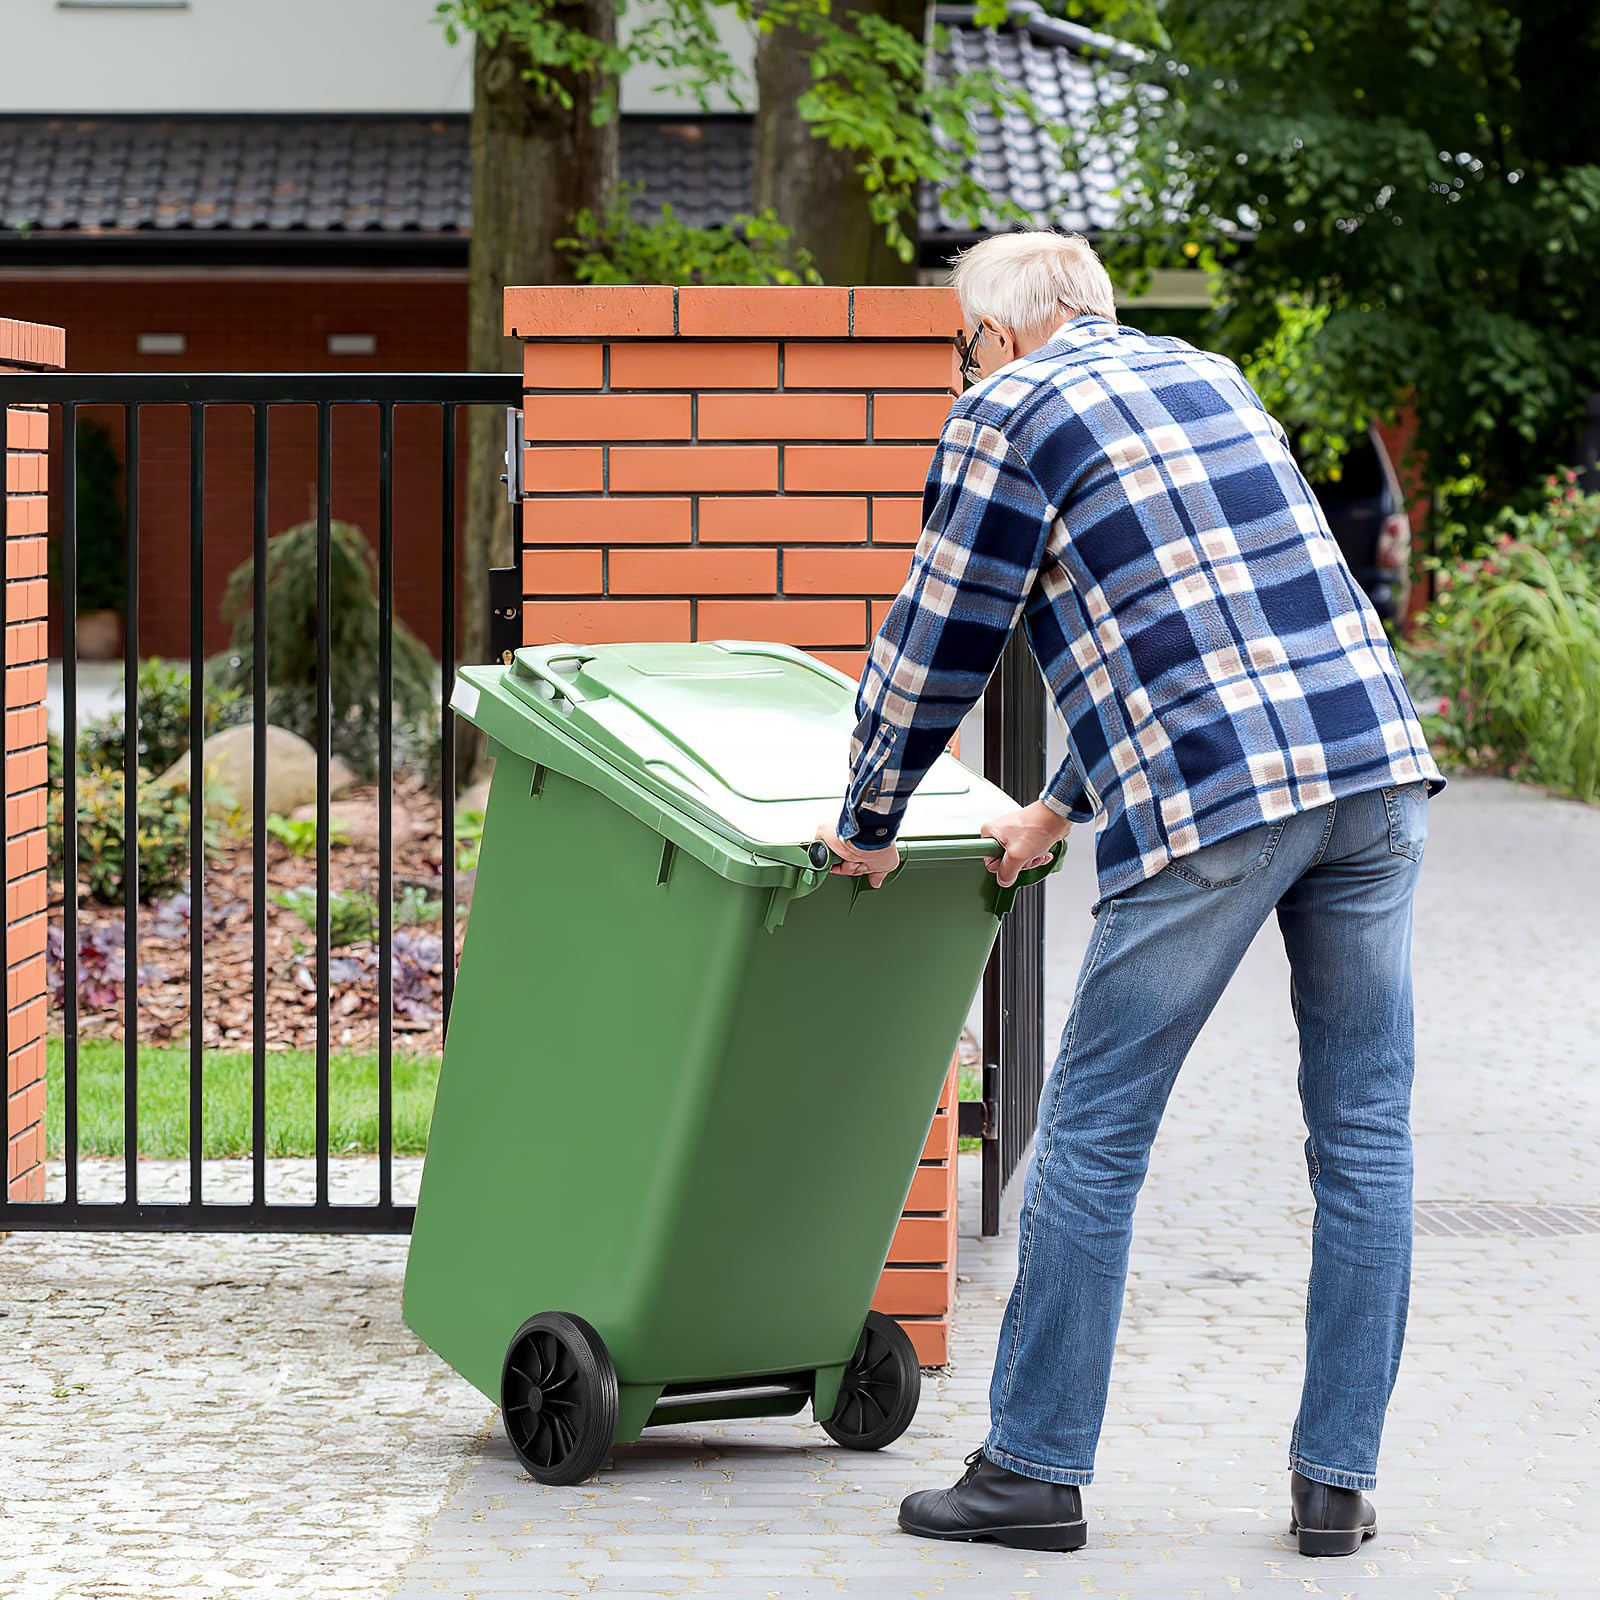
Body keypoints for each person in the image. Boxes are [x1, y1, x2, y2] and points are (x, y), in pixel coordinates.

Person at [814, 230, 1444, 1559]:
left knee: (1095, 1130)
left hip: (1222, 799)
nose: (961, 370)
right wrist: (1056, 805)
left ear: (996, 333)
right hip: (1376, 774)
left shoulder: (1006, 408)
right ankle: (1337, 1486)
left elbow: (938, 639)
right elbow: (1198, 625)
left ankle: (1033, 1473)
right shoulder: (1209, 375)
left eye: (960, 347)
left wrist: (868, 817)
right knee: (1368, 1136)